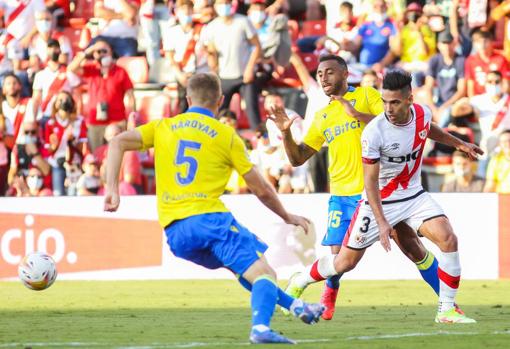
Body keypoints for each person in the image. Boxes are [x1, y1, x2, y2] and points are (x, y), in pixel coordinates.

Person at [103, 72, 325, 344]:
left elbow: (117, 142)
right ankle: (261, 329)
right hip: (210, 220)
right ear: (221, 101)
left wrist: (112, 190)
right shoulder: (225, 136)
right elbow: (262, 189)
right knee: (265, 273)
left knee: (250, 270)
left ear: (187, 98)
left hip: (176, 234)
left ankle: (297, 307)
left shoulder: (163, 126)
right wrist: (287, 216)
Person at [284, 70, 481, 324]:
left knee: (448, 238)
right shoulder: (374, 132)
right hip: (379, 201)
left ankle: (446, 310)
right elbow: (370, 182)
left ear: (410, 99)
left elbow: (427, 130)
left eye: (395, 102)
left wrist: (460, 144)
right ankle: (301, 279)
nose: (388, 108)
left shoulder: (422, 113)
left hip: (413, 195)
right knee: (344, 263)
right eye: (385, 101)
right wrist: (382, 221)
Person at [203, 0, 263, 130]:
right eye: (221, 3)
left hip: (244, 76)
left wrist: (250, 68)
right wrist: (212, 62)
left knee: (253, 113)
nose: (224, 6)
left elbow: (257, 46)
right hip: (224, 76)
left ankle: (260, 141)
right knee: (218, 114)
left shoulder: (243, 21)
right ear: (215, 6)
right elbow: (211, 52)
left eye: (227, 2)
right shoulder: (212, 27)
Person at [67, 39, 136, 151]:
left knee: (115, 154)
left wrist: (131, 118)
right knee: (96, 155)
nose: (101, 54)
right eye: (97, 52)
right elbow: (71, 69)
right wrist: (87, 52)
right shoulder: (92, 69)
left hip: (116, 121)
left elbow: (130, 96)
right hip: (95, 122)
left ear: (111, 52)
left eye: (104, 50)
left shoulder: (120, 71)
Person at [424, 28, 466, 126]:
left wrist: (444, 107)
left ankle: (437, 139)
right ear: (438, 45)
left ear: (454, 44)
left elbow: (461, 90)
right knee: (421, 111)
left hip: (454, 102)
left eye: (449, 43)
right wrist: (433, 108)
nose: (446, 46)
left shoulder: (460, 60)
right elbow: (428, 87)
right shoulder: (434, 60)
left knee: (446, 114)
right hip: (437, 101)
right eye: (443, 43)